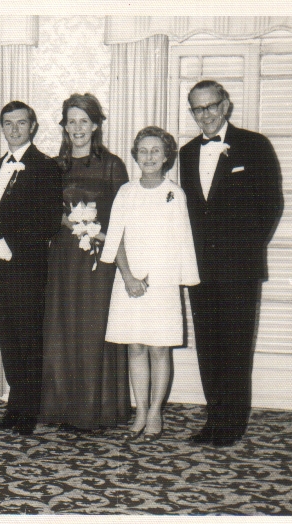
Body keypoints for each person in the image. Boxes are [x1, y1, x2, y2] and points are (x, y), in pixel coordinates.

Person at [179, 80, 283, 447]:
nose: (204, 115)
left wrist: (246, 249)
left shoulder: (255, 145)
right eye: (197, 109)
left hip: (239, 267)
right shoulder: (187, 152)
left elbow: (272, 203)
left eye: (210, 107)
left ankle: (232, 423)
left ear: (226, 105)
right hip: (199, 268)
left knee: (236, 344)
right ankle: (214, 418)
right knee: (209, 344)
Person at [100, 126, 200, 442]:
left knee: (159, 348)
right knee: (136, 346)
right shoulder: (126, 192)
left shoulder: (176, 194)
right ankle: (140, 409)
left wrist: (177, 281)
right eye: (143, 151)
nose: (149, 157)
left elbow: (184, 242)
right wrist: (128, 277)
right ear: (135, 155)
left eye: (155, 151)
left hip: (164, 282)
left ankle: (156, 411)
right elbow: (114, 238)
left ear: (166, 156)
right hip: (129, 279)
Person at [40, 93, 131, 433]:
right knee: (61, 326)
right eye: (70, 121)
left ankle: (96, 409)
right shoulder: (54, 166)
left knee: (94, 326)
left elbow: (124, 217)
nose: (76, 128)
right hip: (63, 256)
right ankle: (63, 407)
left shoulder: (112, 165)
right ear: (63, 126)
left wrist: (97, 231)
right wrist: (65, 222)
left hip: (98, 257)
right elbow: (46, 212)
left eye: (83, 121)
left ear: (95, 125)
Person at [0, 101, 62, 436]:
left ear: (33, 126)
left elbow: (49, 221)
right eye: (8, 124)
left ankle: (29, 412)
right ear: (1, 128)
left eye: (20, 123)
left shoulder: (45, 166)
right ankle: (15, 407)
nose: (14, 129)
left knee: (29, 342)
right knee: (9, 341)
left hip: (27, 269)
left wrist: (10, 244)